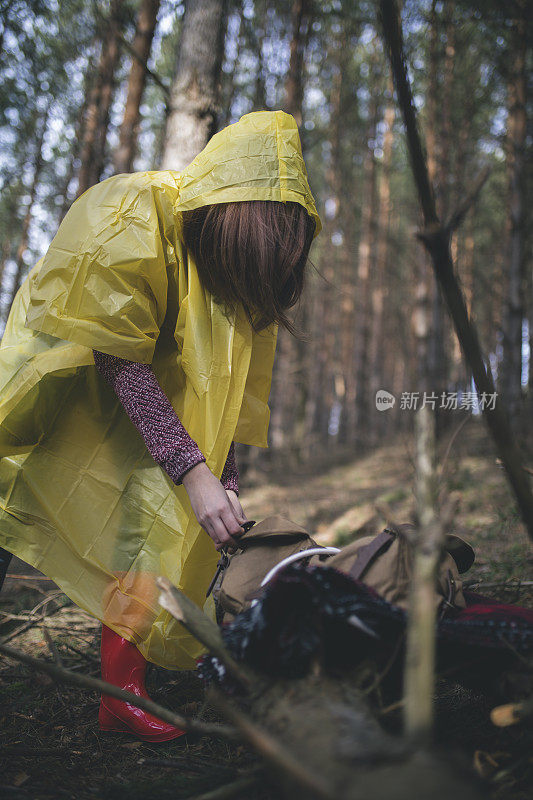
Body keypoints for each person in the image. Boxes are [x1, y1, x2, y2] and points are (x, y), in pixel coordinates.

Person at [0, 109, 321, 741]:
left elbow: (222, 400)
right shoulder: (136, 209)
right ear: (237, 221)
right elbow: (117, 352)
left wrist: (221, 476)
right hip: (63, 384)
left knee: (143, 527)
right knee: (7, 488)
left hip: (144, 411)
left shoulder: (238, 288)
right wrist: (190, 468)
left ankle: (121, 692)